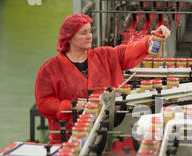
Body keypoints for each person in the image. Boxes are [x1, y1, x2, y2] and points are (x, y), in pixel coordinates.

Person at [35, 13, 171, 144]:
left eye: (89, 32)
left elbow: (129, 51)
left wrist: (150, 40)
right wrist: (72, 106)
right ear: (68, 38)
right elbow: (44, 103)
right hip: (69, 138)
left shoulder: (105, 55)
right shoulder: (50, 69)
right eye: (83, 33)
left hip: (110, 131)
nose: (89, 36)